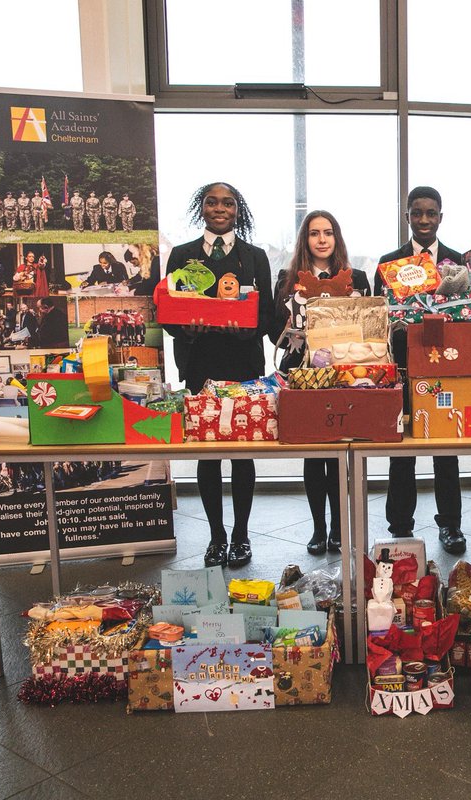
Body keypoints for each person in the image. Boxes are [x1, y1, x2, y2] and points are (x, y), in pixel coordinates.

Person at [163, 182, 274, 568]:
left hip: (243, 365)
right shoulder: (182, 255)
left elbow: (266, 314)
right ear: (202, 208)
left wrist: (245, 329)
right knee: (207, 455)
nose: (220, 208)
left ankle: (241, 535)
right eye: (212, 202)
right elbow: (169, 313)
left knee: (243, 455)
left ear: (237, 210)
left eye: (228, 203)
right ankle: (216, 537)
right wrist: (187, 329)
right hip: (200, 365)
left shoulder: (255, 257)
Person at [374, 186, 468, 555]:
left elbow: (467, 313)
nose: (424, 219)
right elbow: (378, 319)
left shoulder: (458, 261)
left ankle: (451, 525)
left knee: (446, 448)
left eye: (431, 213)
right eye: (417, 213)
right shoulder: (389, 263)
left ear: (441, 216)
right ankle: (400, 526)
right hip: (402, 363)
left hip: (445, 365)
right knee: (401, 450)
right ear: (407, 217)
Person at [273, 210, 370, 556]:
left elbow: (369, 326)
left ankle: (340, 529)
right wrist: (297, 333)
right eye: (314, 233)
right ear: (305, 239)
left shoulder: (357, 278)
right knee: (314, 455)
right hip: (301, 374)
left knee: (341, 453)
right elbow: (273, 331)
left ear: (336, 237)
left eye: (328, 232)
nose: (322, 239)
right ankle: (318, 528)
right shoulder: (286, 280)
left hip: (345, 372)